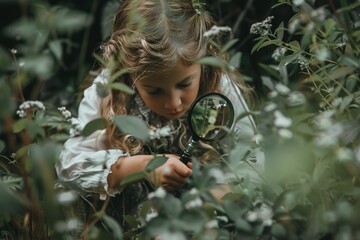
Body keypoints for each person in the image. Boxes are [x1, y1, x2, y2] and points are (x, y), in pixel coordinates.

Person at [55, 0, 264, 235]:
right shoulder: (109, 90)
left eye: (185, 84)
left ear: (203, 59)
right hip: (129, 227)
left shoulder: (217, 83)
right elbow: (69, 167)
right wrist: (143, 167)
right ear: (128, 71)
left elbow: (253, 163)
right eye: (154, 91)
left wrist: (210, 198)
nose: (173, 103)